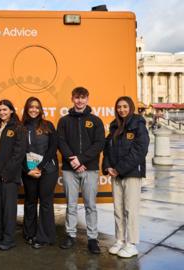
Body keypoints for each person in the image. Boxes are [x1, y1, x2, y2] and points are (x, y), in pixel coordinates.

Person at [57, 87, 105, 254]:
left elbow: (99, 144)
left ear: (87, 99)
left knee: (90, 205)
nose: (79, 101)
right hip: (70, 170)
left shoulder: (96, 120)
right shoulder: (64, 121)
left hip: (89, 169)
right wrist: (74, 161)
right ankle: (70, 235)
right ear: (72, 99)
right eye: (77, 97)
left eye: (82, 97)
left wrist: (82, 160)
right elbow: (61, 142)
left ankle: (92, 238)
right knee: (71, 205)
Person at [103, 96, 149, 258]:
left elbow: (140, 150)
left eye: (124, 106)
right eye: (119, 107)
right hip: (115, 174)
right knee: (118, 209)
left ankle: (132, 243)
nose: (121, 109)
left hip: (131, 174)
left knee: (131, 209)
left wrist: (119, 169)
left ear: (130, 107)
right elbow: (107, 148)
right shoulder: (114, 126)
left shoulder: (138, 125)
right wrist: (108, 167)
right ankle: (120, 240)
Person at [0, 99, 25, 251]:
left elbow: (19, 153)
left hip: (9, 176)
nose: (2, 112)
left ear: (11, 111)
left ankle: (8, 239)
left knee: (9, 209)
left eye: (5, 110)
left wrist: (7, 172)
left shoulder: (18, 128)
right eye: (0, 110)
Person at [21, 97, 59, 249]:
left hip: (48, 170)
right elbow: (19, 151)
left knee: (45, 202)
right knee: (30, 202)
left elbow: (53, 147)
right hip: (29, 171)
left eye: (37, 107)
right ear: (26, 109)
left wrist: (40, 167)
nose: (34, 109)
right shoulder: (20, 127)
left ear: (40, 109)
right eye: (31, 107)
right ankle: (29, 234)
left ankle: (45, 237)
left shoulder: (48, 125)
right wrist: (28, 169)